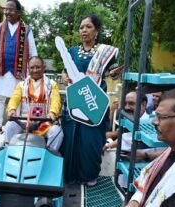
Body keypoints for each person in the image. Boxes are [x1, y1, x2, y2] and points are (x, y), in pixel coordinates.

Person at [60, 13, 119, 186]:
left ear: (97, 30)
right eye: (81, 27)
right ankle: (70, 175)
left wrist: (115, 73)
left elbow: (113, 73)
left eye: (88, 27)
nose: (84, 30)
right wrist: (64, 77)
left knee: (91, 141)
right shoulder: (71, 51)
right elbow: (65, 71)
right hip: (74, 103)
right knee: (71, 139)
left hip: (94, 104)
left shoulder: (106, 53)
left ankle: (88, 175)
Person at [125, 86, 175, 207]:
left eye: (161, 117)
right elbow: (146, 186)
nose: (154, 121)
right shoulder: (171, 151)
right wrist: (135, 201)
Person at [0, 0, 37, 135]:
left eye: (10, 10)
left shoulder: (27, 30)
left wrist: (34, 70)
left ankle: (17, 126)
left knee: (20, 98)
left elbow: (33, 52)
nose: (7, 12)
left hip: (19, 70)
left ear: (18, 12)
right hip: (2, 68)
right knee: (0, 97)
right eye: (6, 9)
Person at [4, 56, 63, 151]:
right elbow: (14, 99)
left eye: (38, 67)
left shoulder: (52, 85)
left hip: (44, 123)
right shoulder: (21, 85)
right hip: (24, 122)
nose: (35, 70)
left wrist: (52, 112)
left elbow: (56, 101)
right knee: (9, 126)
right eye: (32, 67)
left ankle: (48, 155)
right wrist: (11, 110)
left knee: (57, 132)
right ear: (28, 69)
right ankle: (10, 154)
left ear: (43, 68)